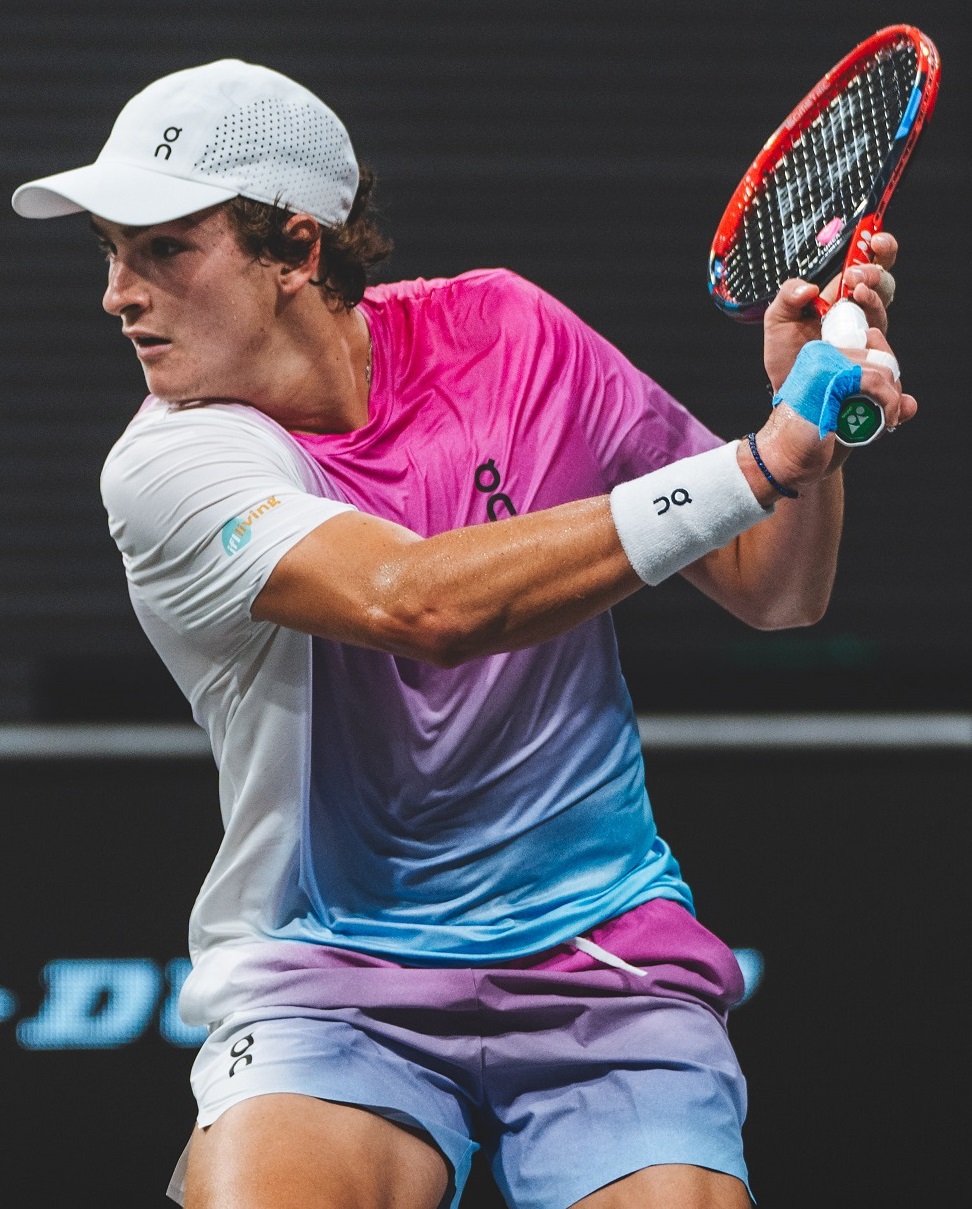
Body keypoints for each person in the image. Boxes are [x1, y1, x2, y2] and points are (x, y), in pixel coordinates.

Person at [11, 59, 913, 1209]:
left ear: (297, 249)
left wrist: (806, 430)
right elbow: (420, 608)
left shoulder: (508, 331)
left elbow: (776, 589)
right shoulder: (170, 464)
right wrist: (760, 462)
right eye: (111, 251)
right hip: (332, 967)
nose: (118, 295)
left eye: (164, 249)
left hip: (602, 953)